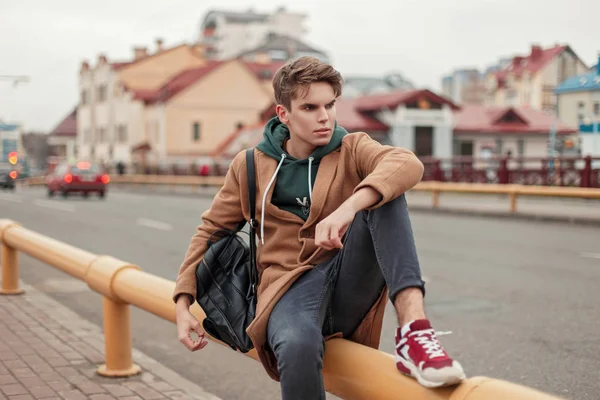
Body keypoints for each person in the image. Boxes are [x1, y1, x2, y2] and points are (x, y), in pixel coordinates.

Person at [173, 56, 466, 399]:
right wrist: (182, 303)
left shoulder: (352, 148)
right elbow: (211, 230)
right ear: (284, 114)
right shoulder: (250, 165)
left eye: (330, 105)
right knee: (296, 347)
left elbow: (405, 163)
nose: (324, 116)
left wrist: (350, 206)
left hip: (345, 282)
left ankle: (414, 333)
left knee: (385, 194)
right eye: (310, 107)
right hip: (286, 292)